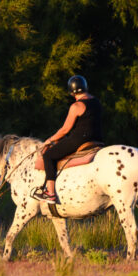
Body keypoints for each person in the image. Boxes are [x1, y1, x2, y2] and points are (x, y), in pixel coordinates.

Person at [33, 75, 102, 204]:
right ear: (85, 87)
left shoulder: (76, 106)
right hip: (97, 139)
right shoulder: (96, 101)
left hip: (79, 140)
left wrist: (49, 140)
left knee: (48, 156)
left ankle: (50, 194)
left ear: (71, 91)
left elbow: (65, 130)